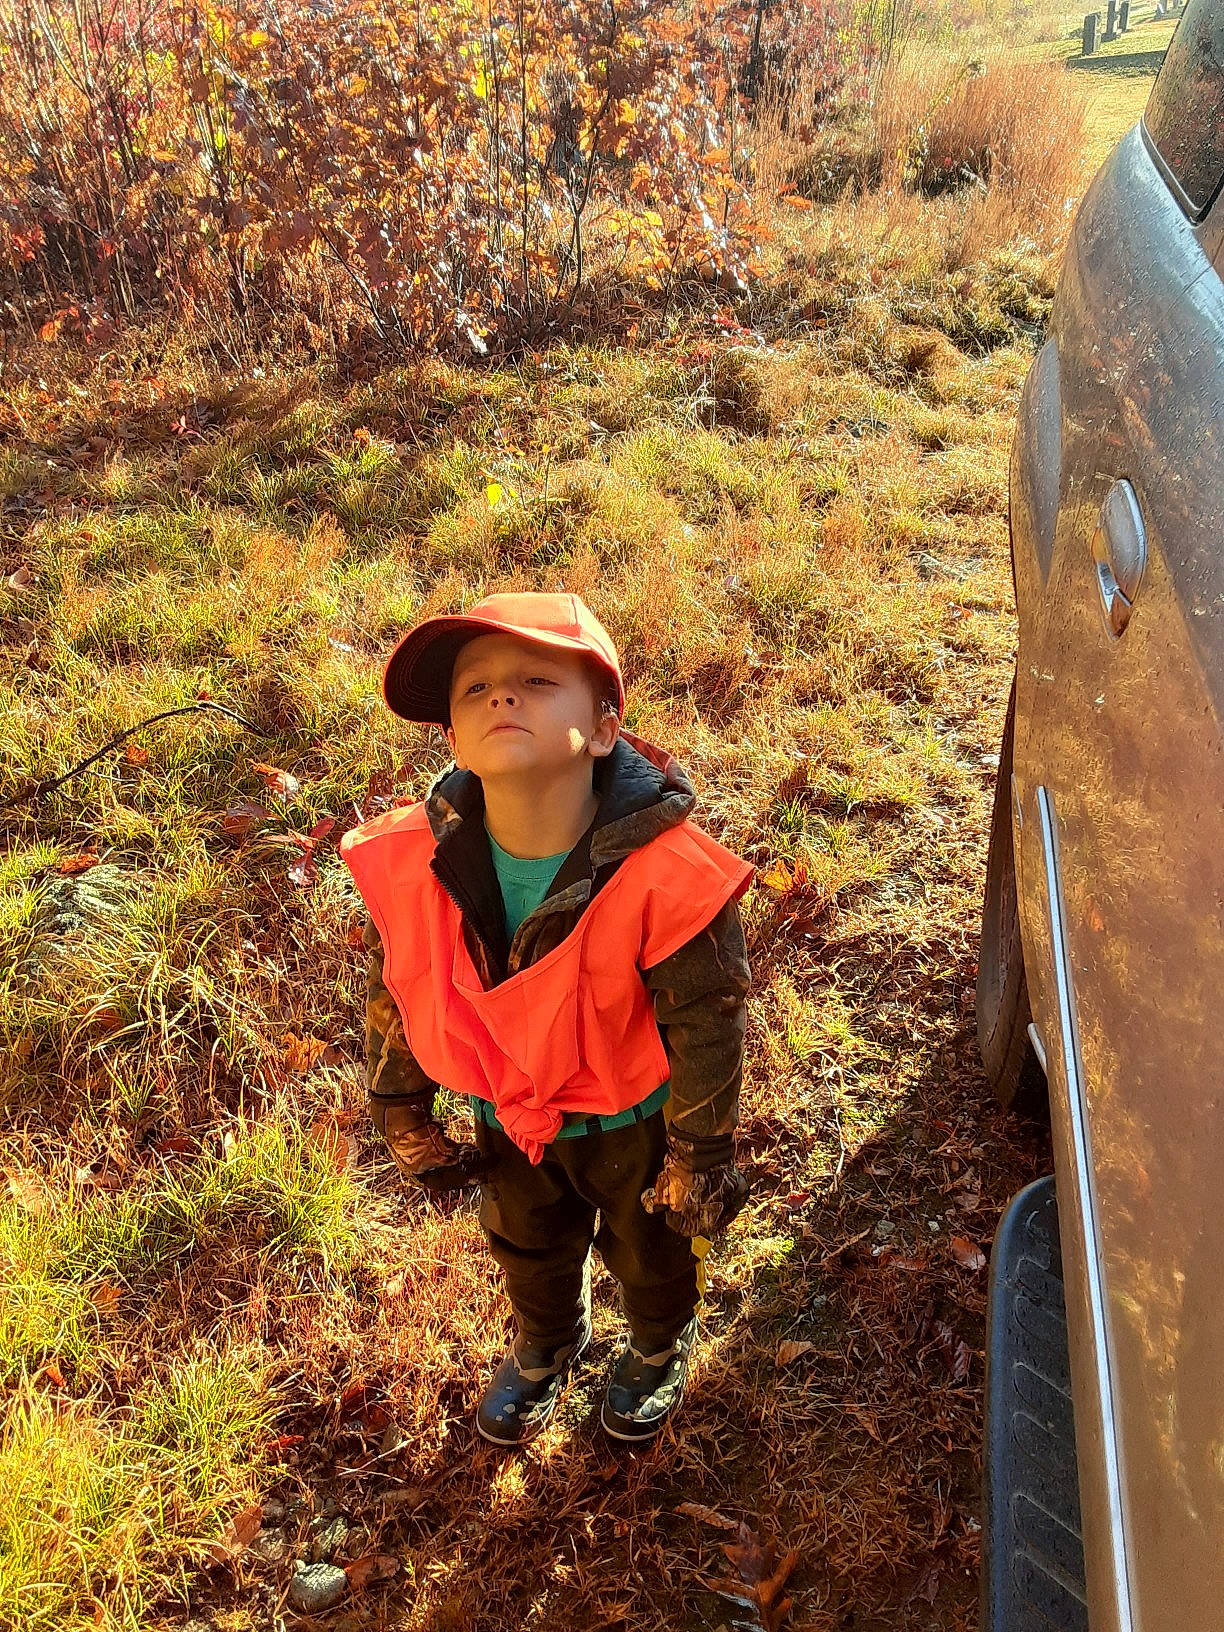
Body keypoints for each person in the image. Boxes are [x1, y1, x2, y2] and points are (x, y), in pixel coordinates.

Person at [339, 591, 754, 1446]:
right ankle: (547, 1342)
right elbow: (405, 981)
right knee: (523, 1238)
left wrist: (702, 1151)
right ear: (452, 738)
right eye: (475, 688)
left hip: (631, 1119)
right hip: (506, 1111)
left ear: (604, 729)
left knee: (652, 1248)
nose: (500, 696)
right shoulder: (419, 861)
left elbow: (708, 1019)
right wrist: (399, 1102)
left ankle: (655, 1342)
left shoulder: (665, 872)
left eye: (535, 678)